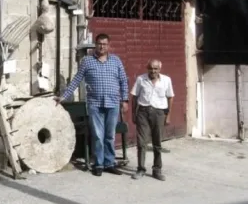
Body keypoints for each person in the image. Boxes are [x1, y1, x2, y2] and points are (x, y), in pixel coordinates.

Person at [55, 33, 129, 177]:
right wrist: (63, 96)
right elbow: (77, 80)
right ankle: (99, 164)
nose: (102, 46)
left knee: (110, 136)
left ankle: (110, 163)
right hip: (95, 104)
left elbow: (123, 81)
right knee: (98, 136)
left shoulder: (116, 61)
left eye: (105, 44)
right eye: (99, 44)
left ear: (109, 46)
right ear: (95, 45)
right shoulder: (87, 61)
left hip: (113, 103)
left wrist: (125, 100)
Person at [130, 59, 174, 181]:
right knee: (141, 142)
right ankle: (140, 169)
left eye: (155, 69)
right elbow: (134, 97)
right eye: (150, 68)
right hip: (143, 112)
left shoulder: (166, 80)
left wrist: (168, 115)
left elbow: (170, 97)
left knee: (157, 143)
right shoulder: (141, 79)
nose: (153, 71)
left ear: (160, 69)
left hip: (159, 113)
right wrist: (134, 113)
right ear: (147, 68)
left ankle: (157, 170)